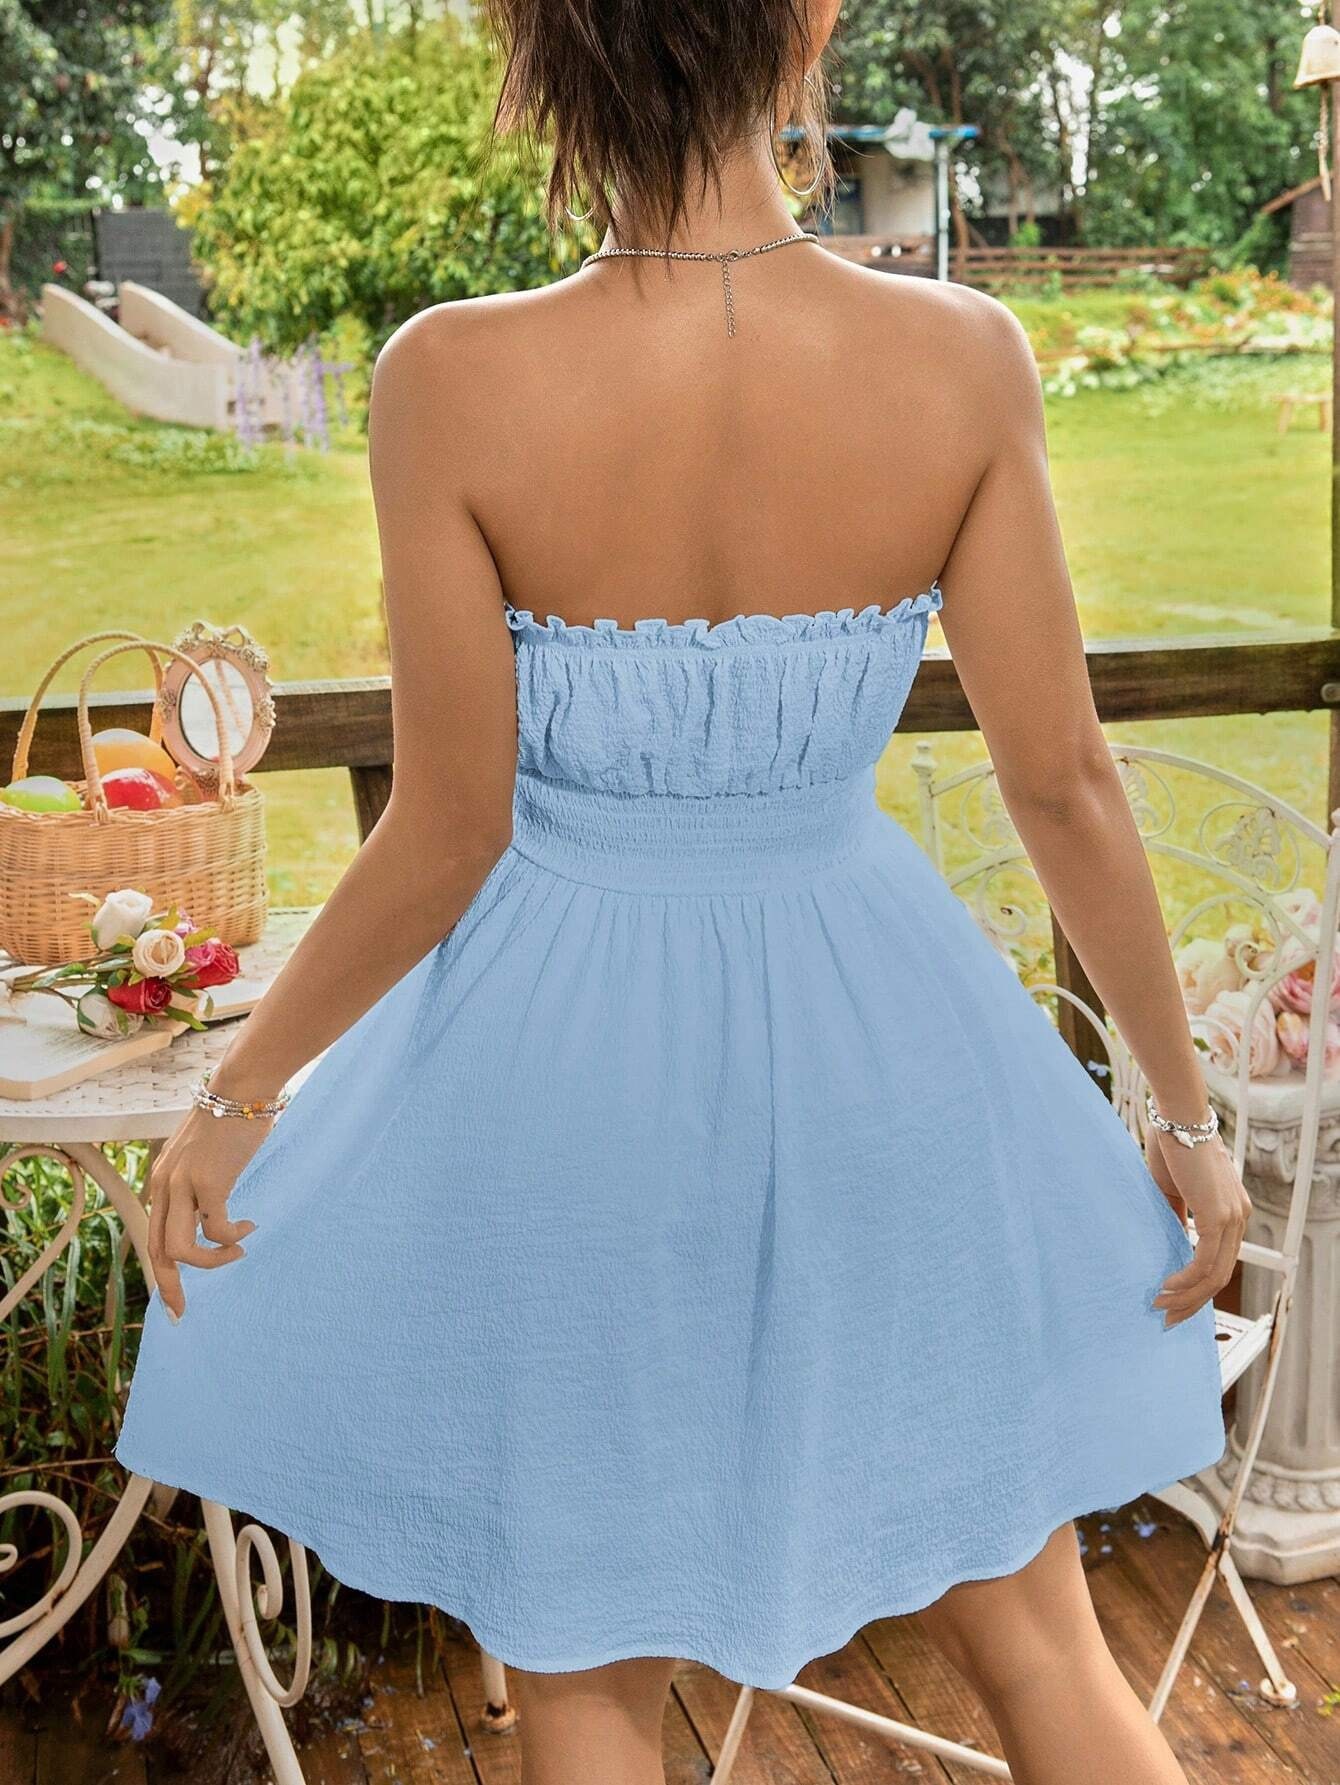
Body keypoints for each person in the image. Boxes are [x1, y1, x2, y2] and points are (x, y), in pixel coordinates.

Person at [113, 4, 1249, 1781]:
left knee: (585, 1685)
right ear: (807, 31)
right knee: (1041, 1644)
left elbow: (447, 827)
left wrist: (238, 1095)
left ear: (547, 54)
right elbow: (1065, 784)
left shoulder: (450, 377)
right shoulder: (961, 359)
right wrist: (1182, 1120)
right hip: (884, 1054)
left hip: (567, 1088)